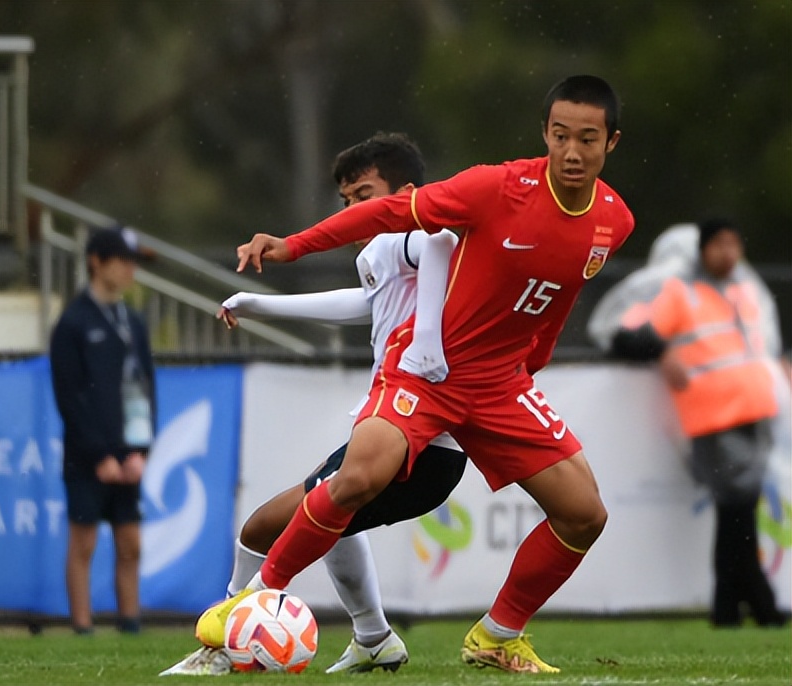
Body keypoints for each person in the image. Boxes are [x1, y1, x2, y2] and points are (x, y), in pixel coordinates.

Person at [198, 75, 635, 674]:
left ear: (611, 142)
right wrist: (292, 247)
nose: (572, 152)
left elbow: (558, 295)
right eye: (561, 136)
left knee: (585, 513)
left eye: (588, 139)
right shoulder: (496, 187)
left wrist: (534, 362)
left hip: (501, 385)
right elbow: (387, 215)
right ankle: (254, 599)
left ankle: (498, 634)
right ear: (545, 134)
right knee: (355, 477)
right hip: (429, 370)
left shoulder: (614, 220)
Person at [161, 133, 467, 676]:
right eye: (345, 201)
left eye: (364, 195)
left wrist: (426, 344)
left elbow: (441, 240)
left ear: (407, 193)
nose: (351, 211)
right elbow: (368, 304)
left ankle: (227, 646)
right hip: (408, 435)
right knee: (331, 521)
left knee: (264, 527)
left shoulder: (408, 236)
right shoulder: (382, 250)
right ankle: (373, 638)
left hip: (417, 438)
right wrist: (264, 306)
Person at [612, 218, 785, 628]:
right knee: (737, 514)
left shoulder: (744, 291)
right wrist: (661, 350)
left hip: (753, 411)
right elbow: (627, 337)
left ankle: (729, 610)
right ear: (703, 250)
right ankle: (761, 608)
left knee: (736, 517)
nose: (728, 253)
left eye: (734, 243)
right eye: (719, 244)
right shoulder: (680, 292)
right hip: (713, 417)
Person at [49, 227, 155, 635]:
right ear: (96, 261)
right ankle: (82, 626)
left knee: (131, 544)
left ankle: (130, 622)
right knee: (84, 543)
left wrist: (140, 451)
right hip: (86, 457)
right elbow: (70, 398)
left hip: (130, 454)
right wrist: (100, 455)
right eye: (122, 260)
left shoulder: (134, 322)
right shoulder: (73, 323)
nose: (130, 270)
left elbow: (146, 389)